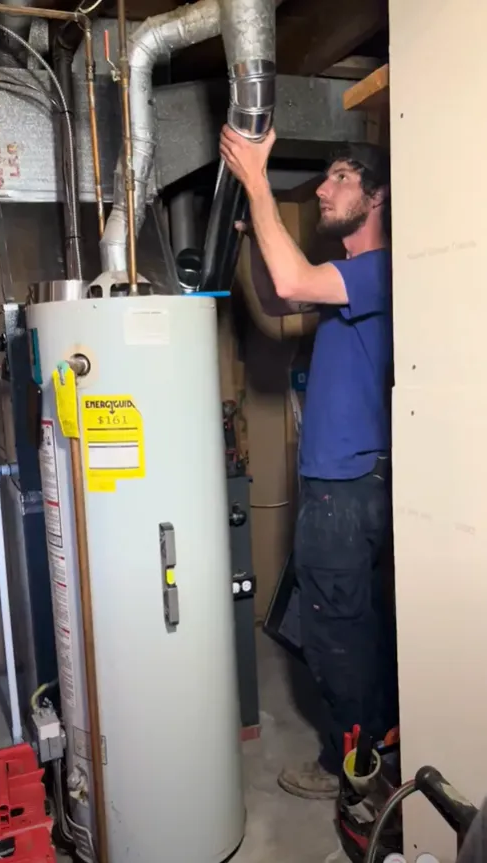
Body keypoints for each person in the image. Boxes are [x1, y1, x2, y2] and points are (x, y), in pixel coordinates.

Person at [220, 124, 397, 800]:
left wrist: (258, 179)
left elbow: (292, 280)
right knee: (357, 628)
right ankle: (374, 742)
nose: (322, 189)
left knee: (337, 641)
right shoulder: (353, 279)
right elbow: (284, 295)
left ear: (375, 197)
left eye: (340, 178)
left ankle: (351, 771)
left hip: (346, 491)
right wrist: (250, 232)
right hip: (345, 488)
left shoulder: (381, 269)